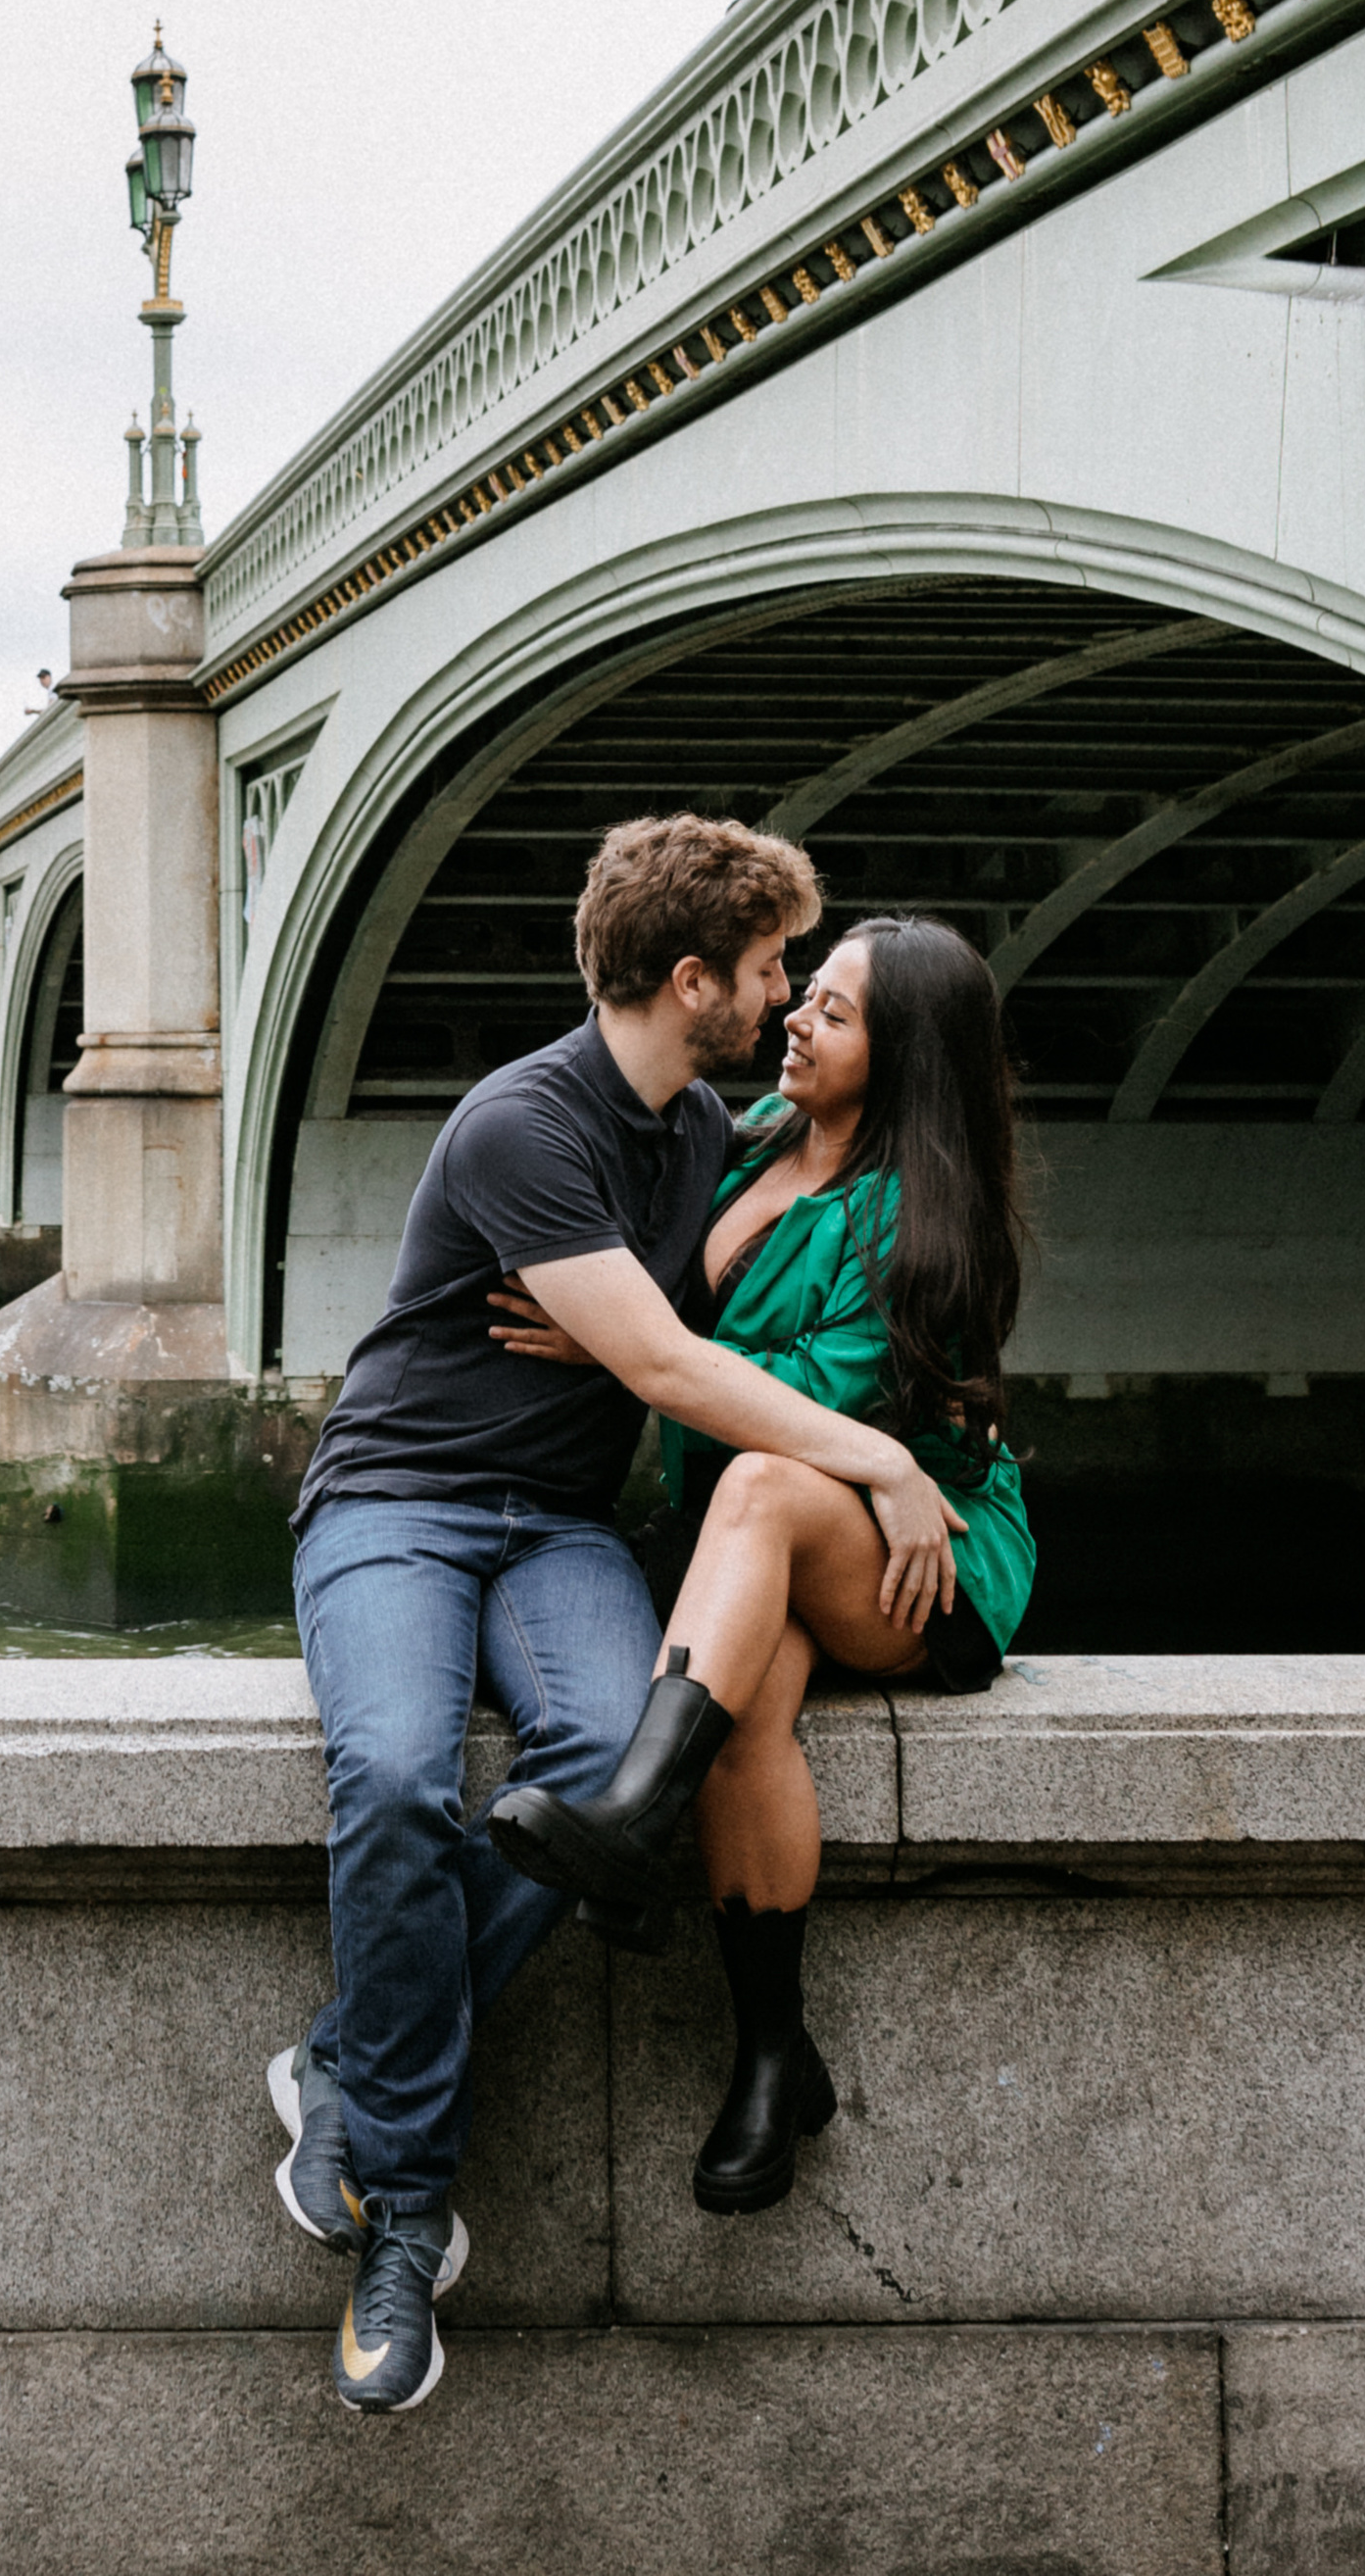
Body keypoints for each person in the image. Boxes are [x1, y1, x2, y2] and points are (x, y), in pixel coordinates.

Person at [273, 820, 973, 2416]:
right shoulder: (525, 1124)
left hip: (563, 1531)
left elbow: (702, 1321)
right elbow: (668, 1366)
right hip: (397, 1505)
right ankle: (405, 2211)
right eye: (769, 970)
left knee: (612, 1779)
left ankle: (351, 2062)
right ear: (690, 982)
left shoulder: (705, 1130)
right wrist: (875, 1459)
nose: (784, 995)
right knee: (392, 1780)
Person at [482, 912, 1036, 2219]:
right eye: (812, 991)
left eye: (834, 1012)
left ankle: (632, 1821)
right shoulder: (755, 1153)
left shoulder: (921, 1217)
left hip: (917, 1556)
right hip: (774, 1556)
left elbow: (827, 1406)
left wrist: (640, 1357)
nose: (795, 1015)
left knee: (773, 1472)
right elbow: (683, 1322)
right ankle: (775, 2057)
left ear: (901, 1059)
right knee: (749, 1710)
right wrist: (622, 1327)